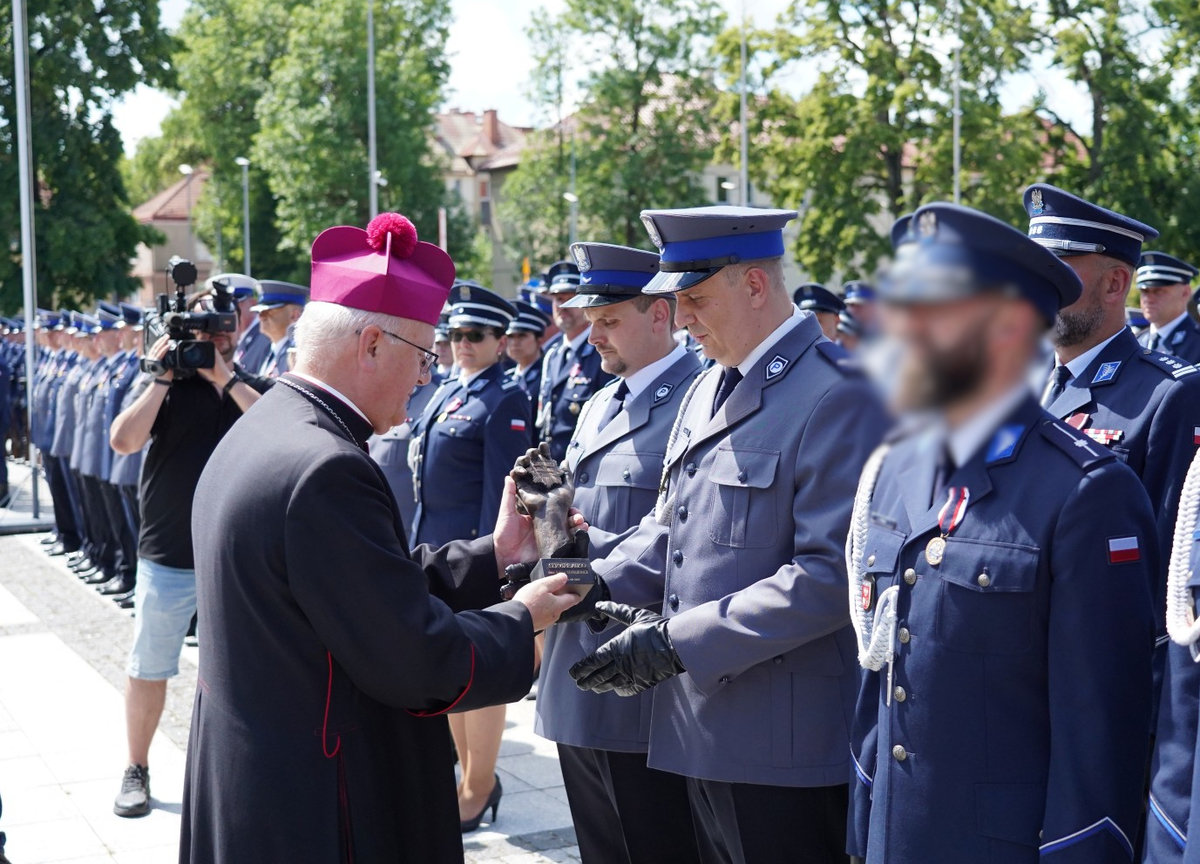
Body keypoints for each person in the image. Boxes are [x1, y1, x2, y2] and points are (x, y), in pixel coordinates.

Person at [179, 212, 580, 863]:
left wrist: (496, 553)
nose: (429, 378)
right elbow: (412, 654)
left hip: (263, 779)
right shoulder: (327, 467)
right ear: (371, 344)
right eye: (425, 356)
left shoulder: (269, 427)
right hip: (321, 801)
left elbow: (358, 588)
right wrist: (521, 619)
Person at [568, 205, 889, 864]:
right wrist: (594, 578)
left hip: (786, 746)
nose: (682, 318)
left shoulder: (838, 395)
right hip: (697, 731)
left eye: (696, 297)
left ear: (754, 285)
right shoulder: (706, 387)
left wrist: (678, 642)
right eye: (677, 300)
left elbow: (830, 576)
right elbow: (671, 524)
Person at [845, 202, 1157, 863]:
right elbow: (882, 674)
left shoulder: (1087, 492)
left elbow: (1099, 735)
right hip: (896, 836)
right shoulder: (900, 468)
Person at [537, 241, 703, 864]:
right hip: (575, 665)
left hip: (639, 673)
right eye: (591, 317)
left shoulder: (696, 397)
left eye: (610, 319)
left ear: (659, 314)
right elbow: (579, 524)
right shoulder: (603, 400)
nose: (592, 332)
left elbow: (676, 540)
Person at [108, 289, 271, 818]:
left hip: (235, 557)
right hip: (169, 551)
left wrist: (225, 378)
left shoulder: (251, 386)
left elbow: (277, 431)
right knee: (149, 666)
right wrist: (161, 377)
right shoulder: (166, 386)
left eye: (223, 325)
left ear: (239, 327)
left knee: (246, 670)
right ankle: (136, 767)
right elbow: (123, 441)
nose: (214, 335)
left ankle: (248, 769)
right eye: (202, 327)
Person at [408, 282, 533, 830]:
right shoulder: (447, 391)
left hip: (477, 556)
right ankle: (466, 775)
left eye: (475, 335)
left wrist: (496, 572)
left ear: (500, 340)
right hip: (441, 552)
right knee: (449, 675)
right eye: (455, 334)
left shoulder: (505, 397)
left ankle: (479, 787)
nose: (462, 344)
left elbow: (500, 491)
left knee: (477, 677)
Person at [537, 260, 613, 462]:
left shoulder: (602, 351)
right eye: (557, 298)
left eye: (571, 298)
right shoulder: (553, 356)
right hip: (551, 470)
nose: (562, 306)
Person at [1137, 252, 1200, 363]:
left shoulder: (1196, 342)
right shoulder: (1136, 341)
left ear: (1185, 292)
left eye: (1158, 291)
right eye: (1144, 291)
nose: (1149, 299)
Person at [250, 280, 308, 377]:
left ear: (295, 315)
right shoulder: (269, 350)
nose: (261, 317)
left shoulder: (297, 354)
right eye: (259, 312)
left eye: (267, 311)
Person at [506, 299, 551, 412]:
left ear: (539, 341)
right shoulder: (508, 377)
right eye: (511, 336)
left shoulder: (547, 376)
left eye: (522, 336)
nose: (515, 342)